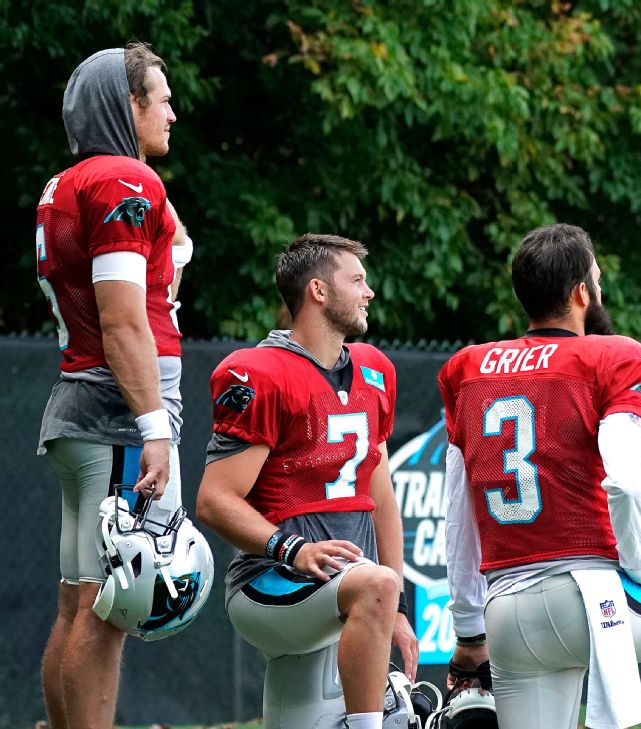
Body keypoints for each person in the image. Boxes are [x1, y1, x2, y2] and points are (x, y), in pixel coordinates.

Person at [439, 223, 641, 729]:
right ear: (581, 292)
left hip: (504, 612)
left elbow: (459, 509)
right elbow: (628, 480)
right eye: (597, 276)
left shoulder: (468, 368)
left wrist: (467, 627)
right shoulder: (615, 356)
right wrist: (640, 565)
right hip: (585, 602)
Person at [195, 234, 418, 729]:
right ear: (318, 290)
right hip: (272, 582)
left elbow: (380, 498)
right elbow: (213, 500)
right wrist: (291, 549)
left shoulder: (375, 370)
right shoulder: (259, 373)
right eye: (357, 280)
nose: (369, 292)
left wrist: (397, 604)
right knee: (375, 584)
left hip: (346, 585)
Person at [35, 42, 186, 729]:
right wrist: (152, 426)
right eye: (161, 98)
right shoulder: (125, 180)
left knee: (80, 599)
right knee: (112, 602)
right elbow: (123, 321)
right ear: (127, 107)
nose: (173, 114)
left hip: (79, 409)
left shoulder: (71, 183)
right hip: (115, 415)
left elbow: (148, 283)